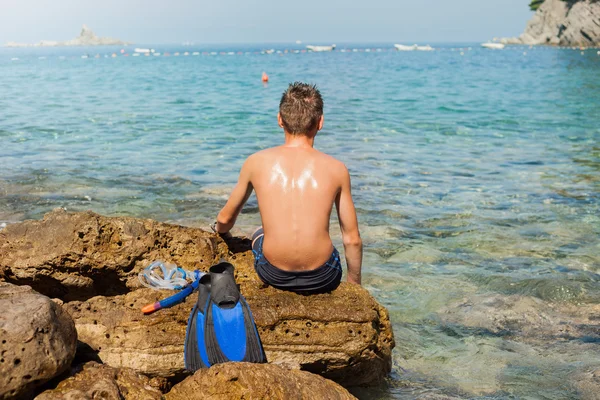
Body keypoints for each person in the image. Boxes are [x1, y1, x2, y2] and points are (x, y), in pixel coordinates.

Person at [213, 82, 362, 294]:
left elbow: (225, 220)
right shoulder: (337, 169)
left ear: (280, 120)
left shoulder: (255, 162)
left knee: (259, 232)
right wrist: (355, 286)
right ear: (320, 122)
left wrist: (219, 232)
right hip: (323, 277)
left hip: (273, 273)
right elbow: (352, 239)